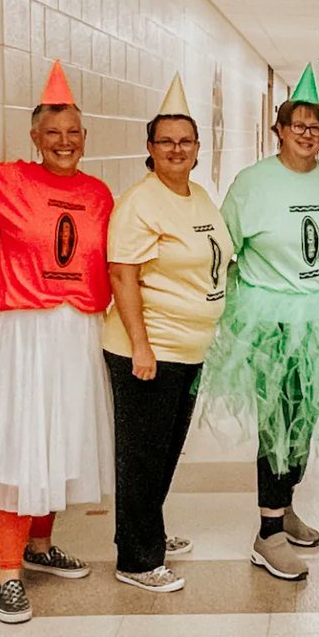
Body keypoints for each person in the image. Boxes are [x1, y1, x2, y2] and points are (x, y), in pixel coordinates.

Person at [198, 65, 319, 581]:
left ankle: (284, 508)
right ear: (279, 130)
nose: (307, 134)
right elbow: (224, 247)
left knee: (304, 419)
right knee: (276, 421)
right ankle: (267, 533)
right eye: (297, 125)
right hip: (271, 319)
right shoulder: (251, 183)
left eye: (315, 126)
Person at [0, 61, 114, 624]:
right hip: (23, 329)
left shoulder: (99, 194)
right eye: (53, 132)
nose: (64, 142)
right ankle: (8, 573)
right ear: (34, 137)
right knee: (19, 442)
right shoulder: (8, 181)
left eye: (73, 132)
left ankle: (40, 546)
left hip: (76, 330)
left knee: (61, 438)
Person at [102, 75, 233, 594]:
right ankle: (136, 559)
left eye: (186, 141)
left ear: (199, 149)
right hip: (149, 349)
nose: (177, 149)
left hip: (189, 348)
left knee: (166, 449)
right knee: (141, 454)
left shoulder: (199, 196)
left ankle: (148, 532)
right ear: (149, 149)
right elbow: (122, 275)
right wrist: (140, 344)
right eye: (166, 141)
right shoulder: (140, 201)